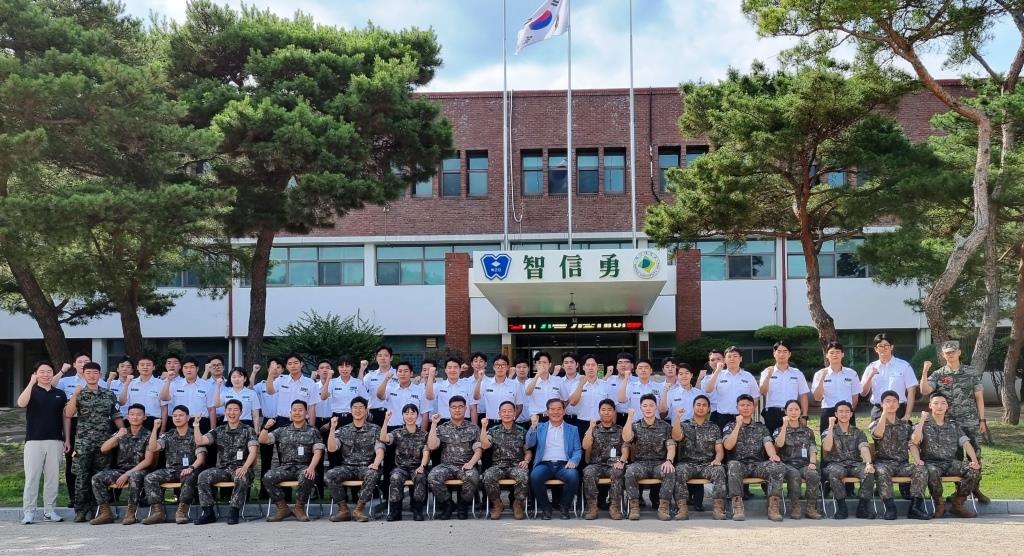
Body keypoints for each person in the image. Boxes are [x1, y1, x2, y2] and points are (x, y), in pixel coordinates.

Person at [920, 340, 989, 503]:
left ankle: (975, 488)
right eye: (947, 353)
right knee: (955, 458)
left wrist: (982, 420)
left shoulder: (971, 372)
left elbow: (979, 397)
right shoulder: (939, 374)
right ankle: (959, 493)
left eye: (953, 352)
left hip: (970, 420)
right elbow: (924, 390)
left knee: (975, 455)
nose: (950, 355)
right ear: (943, 355)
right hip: (950, 423)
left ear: (959, 353)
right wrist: (925, 372)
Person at [64, 361, 123, 522]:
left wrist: (122, 430)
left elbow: (116, 415)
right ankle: (81, 510)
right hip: (84, 442)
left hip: (104, 443)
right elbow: (68, 413)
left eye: (95, 373)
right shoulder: (79, 393)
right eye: (88, 373)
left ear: (100, 374)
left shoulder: (108, 394)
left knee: (100, 476)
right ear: (83, 374)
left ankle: (100, 509)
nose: (91, 376)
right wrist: (75, 395)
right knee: (81, 476)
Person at [910, 392, 982, 518]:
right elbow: (915, 441)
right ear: (930, 406)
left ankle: (958, 503)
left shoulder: (953, 425)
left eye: (943, 403)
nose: (939, 406)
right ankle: (939, 504)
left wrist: (974, 461)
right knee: (932, 471)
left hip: (950, 462)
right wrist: (922, 420)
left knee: (973, 471)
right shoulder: (923, 424)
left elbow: (966, 443)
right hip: (931, 463)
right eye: (936, 403)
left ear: (947, 406)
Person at [192, 399, 259, 525]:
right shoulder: (219, 430)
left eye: (235, 410)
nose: (232, 413)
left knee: (241, 476)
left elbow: (253, 451)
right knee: (203, 476)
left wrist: (245, 467)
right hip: (222, 469)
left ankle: (234, 511)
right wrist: (196, 425)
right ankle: (208, 512)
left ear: (241, 412)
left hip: (241, 468)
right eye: (229, 410)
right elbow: (200, 441)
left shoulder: (248, 430)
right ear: (225, 412)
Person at [18, 361, 68, 524]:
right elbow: (21, 403)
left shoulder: (60, 394)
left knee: (52, 478)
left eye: (49, 371)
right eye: (42, 371)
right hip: (34, 441)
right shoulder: (31, 391)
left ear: (53, 373)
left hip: (55, 440)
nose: (46, 374)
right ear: (35, 374)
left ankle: (49, 511)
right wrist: (31, 383)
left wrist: (66, 438)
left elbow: (65, 417)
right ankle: (29, 512)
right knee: (32, 478)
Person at [722, 394, 785, 521]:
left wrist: (773, 455)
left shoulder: (761, 427)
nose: (745, 408)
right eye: (742, 405)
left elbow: (768, 443)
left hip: (757, 465)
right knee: (733, 465)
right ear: (737, 408)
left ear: (753, 407)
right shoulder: (730, 426)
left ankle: (773, 506)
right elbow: (728, 446)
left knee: (777, 466)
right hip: (739, 465)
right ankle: (737, 506)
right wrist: (738, 426)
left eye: (748, 405)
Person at [258, 399, 323, 522]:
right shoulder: (282, 430)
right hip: (285, 468)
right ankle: (283, 508)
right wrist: (266, 427)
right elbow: (263, 440)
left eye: (300, 410)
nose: (297, 413)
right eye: (294, 410)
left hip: (304, 467)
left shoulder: (313, 431)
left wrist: (311, 468)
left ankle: (299, 508)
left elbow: (318, 452)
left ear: (306, 413)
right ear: (290, 413)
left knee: (307, 475)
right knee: (267, 477)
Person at [90, 404, 155, 525]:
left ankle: (131, 513)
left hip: (141, 470)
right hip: (121, 470)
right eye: (132, 414)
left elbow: (148, 461)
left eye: (138, 415)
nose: (135, 417)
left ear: (144, 417)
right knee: (97, 478)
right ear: (127, 417)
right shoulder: (122, 433)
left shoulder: (149, 435)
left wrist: (128, 474)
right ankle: (105, 513)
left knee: (134, 476)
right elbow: (103, 449)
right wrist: (118, 436)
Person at [870, 390, 930, 520]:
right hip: (883, 463)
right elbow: (878, 434)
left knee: (921, 469)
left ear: (898, 405)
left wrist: (917, 460)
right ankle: (890, 508)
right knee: (882, 471)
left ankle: (915, 507)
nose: (891, 404)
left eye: (894, 401)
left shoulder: (905, 425)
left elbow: (912, 443)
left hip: (902, 464)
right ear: (882, 404)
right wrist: (884, 414)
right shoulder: (875, 423)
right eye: (887, 401)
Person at [142, 405, 207, 525]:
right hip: (171, 470)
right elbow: (153, 447)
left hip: (189, 469)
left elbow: (201, 458)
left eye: (181, 415)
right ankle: (158, 512)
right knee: (150, 478)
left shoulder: (195, 435)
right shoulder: (169, 435)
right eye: (175, 416)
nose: (177, 418)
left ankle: (182, 511)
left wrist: (191, 468)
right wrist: (155, 429)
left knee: (189, 476)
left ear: (188, 418)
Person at [325, 397, 384, 522]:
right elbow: (331, 448)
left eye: (361, 407)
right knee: (330, 474)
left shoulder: (375, 429)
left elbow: (380, 450)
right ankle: (343, 510)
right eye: (355, 408)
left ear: (366, 410)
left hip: (365, 467)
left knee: (373, 474)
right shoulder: (343, 430)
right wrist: (332, 429)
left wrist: (376, 464)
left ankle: (359, 509)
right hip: (347, 467)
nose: (358, 410)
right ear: (351, 410)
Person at [672, 394, 728, 520]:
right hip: (688, 464)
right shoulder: (684, 425)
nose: (701, 407)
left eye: (704, 405)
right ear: (693, 407)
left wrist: (717, 460)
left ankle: (718, 508)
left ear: (708, 409)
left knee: (719, 470)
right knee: (679, 470)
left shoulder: (714, 427)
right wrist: (677, 418)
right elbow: (676, 437)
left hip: (708, 464)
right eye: (698, 405)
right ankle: (682, 508)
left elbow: (719, 450)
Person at [426, 396, 482, 520]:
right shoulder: (442, 428)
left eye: (460, 407)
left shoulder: (473, 428)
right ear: (449, 409)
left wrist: (471, 463)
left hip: (465, 466)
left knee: (472, 476)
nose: (457, 410)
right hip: (446, 466)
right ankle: (448, 504)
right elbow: (432, 445)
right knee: (433, 476)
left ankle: (463, 504)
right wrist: (433, 424)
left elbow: (478, 450)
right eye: (454, 407)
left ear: (465, 409)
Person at [622, 394, 676, 520]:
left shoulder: (665, 426)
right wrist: (629, 417)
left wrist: (669, 461)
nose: (648, 408)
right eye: (645, 406)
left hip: (659, 463)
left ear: (656, 407)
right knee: (630, 471)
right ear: (640, 408)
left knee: (669, 471)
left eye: (651, 405)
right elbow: (626, 438)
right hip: (640, 464)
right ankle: (634, 507)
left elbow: (671, 446)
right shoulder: (635, 426)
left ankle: (663, 507)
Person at [526, 398, 582, 520]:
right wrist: (533, 426)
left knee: (573, 476)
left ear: (564, 411)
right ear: (547, 412)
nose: (556, 412)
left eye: (559, 409)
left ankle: (564, 507)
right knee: (535, 476)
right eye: (552, 409)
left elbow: (577, 450)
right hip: (544, 464)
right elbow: (529, 444)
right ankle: (546, 508)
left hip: (564, 464)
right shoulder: (540, 427)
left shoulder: (572, 429)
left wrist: (574, 460)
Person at [55, 351, 99, 504]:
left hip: (94, 427)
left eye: (86, 361)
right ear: (74, 364)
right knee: (73, 461)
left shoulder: (100, 382)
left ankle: (93, 497)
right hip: (73, 425)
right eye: (80, 361)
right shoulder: (65, 381)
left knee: (94, 462)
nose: (83, 364)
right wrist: (62, 371)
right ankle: (74, 497)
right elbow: (50, 386)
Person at [821, 401, 875, 519]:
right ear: (836, 414)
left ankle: (862, 508)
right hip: (836, 464)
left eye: (847, 412)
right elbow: (827, 447)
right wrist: (830, 427)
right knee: (835, 473)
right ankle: (842, 507)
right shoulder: (829, 431)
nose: (844, 414)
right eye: (841, 412)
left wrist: (868, 463)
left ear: (851, 414)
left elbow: (864, 447)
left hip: (855, 463)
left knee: (869, 473)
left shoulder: (858, 432)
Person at [480, 401, 531, 520]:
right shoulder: (493, 430)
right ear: (499, 414)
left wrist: (526, 461)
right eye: (504, 411)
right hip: (498, 465)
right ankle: (497, 504)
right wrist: (483, 427)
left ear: (514, 413)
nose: (507, 414)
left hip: (516, 465)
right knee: (488, 476)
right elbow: (485, 445)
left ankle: (517, 504)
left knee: (523, 475)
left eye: (510, 411)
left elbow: (528, 451)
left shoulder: (522, 431)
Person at [773, 399, 822, 520]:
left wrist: (812, 462)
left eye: (796, 409)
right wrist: (784, 426)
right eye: (790, 410)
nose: (793, 412)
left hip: (804, 464)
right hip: (787, 464)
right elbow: (779, 444)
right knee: (794, 475)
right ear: (785, 412)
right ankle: (795, 506)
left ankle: (811, 508)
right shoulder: (779, 430)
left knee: (813, 474)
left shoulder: (807, 431)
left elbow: (813, 448)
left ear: (800, 411)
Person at [381, 404, 430, 521]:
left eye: (412, 413)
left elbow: (426, 452)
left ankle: (417, 509)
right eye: (406, 413)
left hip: (417, 467)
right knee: (395, 477)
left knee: (420, 476)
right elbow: (383, 438)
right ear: (402, 416)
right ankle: (395, 511)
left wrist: (422, 466)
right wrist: (386, 420)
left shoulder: (423, 434)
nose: (409, 416)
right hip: (401, 468)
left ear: (417, 416)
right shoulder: (397, 433)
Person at [582, 399, 625, 520]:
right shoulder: (593, 429)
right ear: (599, 412)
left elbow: (625, 448)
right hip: (596, 464)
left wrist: (621, 462)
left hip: (614, 464)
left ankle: (614, 507)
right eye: (603, 410)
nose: (606, 412)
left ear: (614, 412)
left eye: (609, 410)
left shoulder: (620, 430)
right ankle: (592, 507)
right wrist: (590, 428)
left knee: (618, 472)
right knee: (588, 472)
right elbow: (585, 446)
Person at [861, 333, 917, 421]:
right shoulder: (871, 367)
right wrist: (870, 376)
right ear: (876, 349)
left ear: (891, 347)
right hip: (878, 410)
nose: (883, 348)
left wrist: (907, 415)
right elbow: (863, 393)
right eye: (880, 346)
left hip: (898, 409)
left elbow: (911, 391)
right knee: (877, 430)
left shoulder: (904, 366)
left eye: (886, 345)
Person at [704, 347, 760, 430]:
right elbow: (708, 389)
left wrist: (748, 414)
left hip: (743, 417)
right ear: (724, 360)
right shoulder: (718, 375)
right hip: (723, 418)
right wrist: (717, 371)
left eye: (735, 356)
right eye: (729, 356)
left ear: (740, 359)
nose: (732, 359)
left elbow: (755, 397)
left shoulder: (748, 376)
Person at [759, 341, 810, 434]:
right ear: (774, 353)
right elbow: (762, 392)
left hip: (792, 412)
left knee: (792, 440)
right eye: (779, 351)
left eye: (785, 351)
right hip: (772, 413)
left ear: (789, 354)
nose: (781, 354)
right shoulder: (767, 371)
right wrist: (768, 376)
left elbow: (803, 394)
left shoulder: (797, 373)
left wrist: (804, 416)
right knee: (773, 440)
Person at [812, 342, 861, 433]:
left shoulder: (851, 373)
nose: (835, 355)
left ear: (842, 354)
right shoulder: (819, 374)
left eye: (838, 352)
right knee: (827, 439)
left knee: (850, 439)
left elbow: (855, 397)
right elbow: (817, 398)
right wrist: (823, 377)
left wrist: (848, 412)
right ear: (827, 355)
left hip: (846, 412)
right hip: (828, 411)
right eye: (831, 353)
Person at [265, 353, 318, 426]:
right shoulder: (281, 380)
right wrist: (270, 374)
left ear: (301, 364)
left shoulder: (310, 383)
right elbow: (270, 392)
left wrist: (312, 426)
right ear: (286, 366)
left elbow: (312, 407)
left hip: (302, 421)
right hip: (282, 420)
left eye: (296, 363)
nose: (293, 366)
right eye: (290, 364)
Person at [118, 354, 165, 431]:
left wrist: (163, 428)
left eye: (148, 365)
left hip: (153, 421)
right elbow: (121, 402)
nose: (145, 367)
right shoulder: (131, 383)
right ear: (137, 367)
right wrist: (126, 384)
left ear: (153, 367)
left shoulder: (161, 384)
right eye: (142, 365)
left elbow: (164, 407)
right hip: (133, 421)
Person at [568, 354, 611, 434]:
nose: (590, 368)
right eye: (588, 365)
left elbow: (611, 406)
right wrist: (581, 384)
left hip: (601, 423)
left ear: (597, 367)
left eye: (593, 365)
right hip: (582, 423)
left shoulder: (605, 385)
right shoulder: (576, 385)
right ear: (583, 367)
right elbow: (573, 402)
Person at [424, 357, 475, 424]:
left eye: (455, 367)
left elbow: (473, 408)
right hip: (443, 423)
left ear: (460, 370)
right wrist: (430, 376)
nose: (452, 370)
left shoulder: (468, 386)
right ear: (445, 370)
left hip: (464, 422)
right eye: (449, 367)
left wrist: (475, 427)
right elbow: (429, 397)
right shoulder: (438, 386)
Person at [474, 354, 524, 422]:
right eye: (497, 364)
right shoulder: (486, 383)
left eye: (503, 365)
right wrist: (479, 380)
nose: (500, 367)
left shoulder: (515, 384)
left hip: (508, 422)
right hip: (490, 422)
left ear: (507, 367)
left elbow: (519, 406)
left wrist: (512, 420)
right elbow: (476, 397)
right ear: (493, 367)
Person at [363, 346, 397, 427]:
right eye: (380, 355)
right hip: (374, 414)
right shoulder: (369, 376)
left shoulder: (398, 374)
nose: (383, 358)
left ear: (391, 358)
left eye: (386, 355)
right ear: (376, 358)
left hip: (394, 413)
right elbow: (362, 394)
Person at [525, 352, 563, 423]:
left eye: (545, 362)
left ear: (550, 364)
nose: (542, 365)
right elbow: (528, 392)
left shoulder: (558, 381)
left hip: (555, 417)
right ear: (535, 365)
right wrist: (538, 374)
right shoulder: (529, 381)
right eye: (539, 363)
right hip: (536, 419)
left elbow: (565, 400)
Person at [559, 353, 582, 429]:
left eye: (571, 362)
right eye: (566, 363)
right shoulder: (558, 382)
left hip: (581, 419)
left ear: (577, 365)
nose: (569, 365)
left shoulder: (584, 380)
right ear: (563, 366)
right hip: (563, 419)